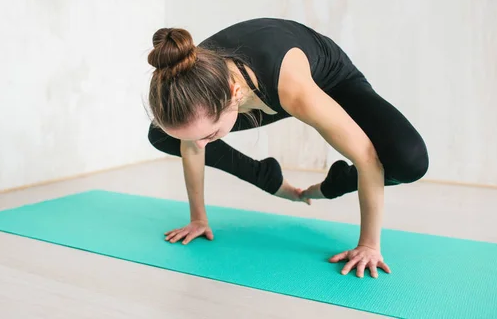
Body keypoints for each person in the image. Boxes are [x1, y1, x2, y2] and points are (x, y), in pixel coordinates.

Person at [145, 17, 428, 279]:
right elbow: (192, 145)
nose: (201, 145)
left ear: (235, 95)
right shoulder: (191, 79)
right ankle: (265, 174)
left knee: (408, 161)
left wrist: (368, 245)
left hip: (329, 80)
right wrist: (198, 219)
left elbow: (366, 157)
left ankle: (336, 182)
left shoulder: (294, 90)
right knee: (162, 136)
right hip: (257, 89)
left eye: (210, 134)